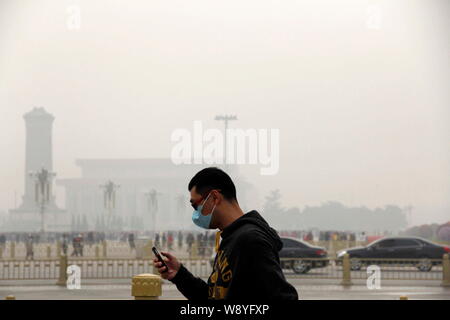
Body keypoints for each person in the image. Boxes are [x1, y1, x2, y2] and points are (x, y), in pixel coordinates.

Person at [153, 167, 298, 300]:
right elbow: (214, 296)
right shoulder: (230, 239)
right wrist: (179, 275)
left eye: (195, 205)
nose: (195, 213)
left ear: (215, 197)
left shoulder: (250, 240)